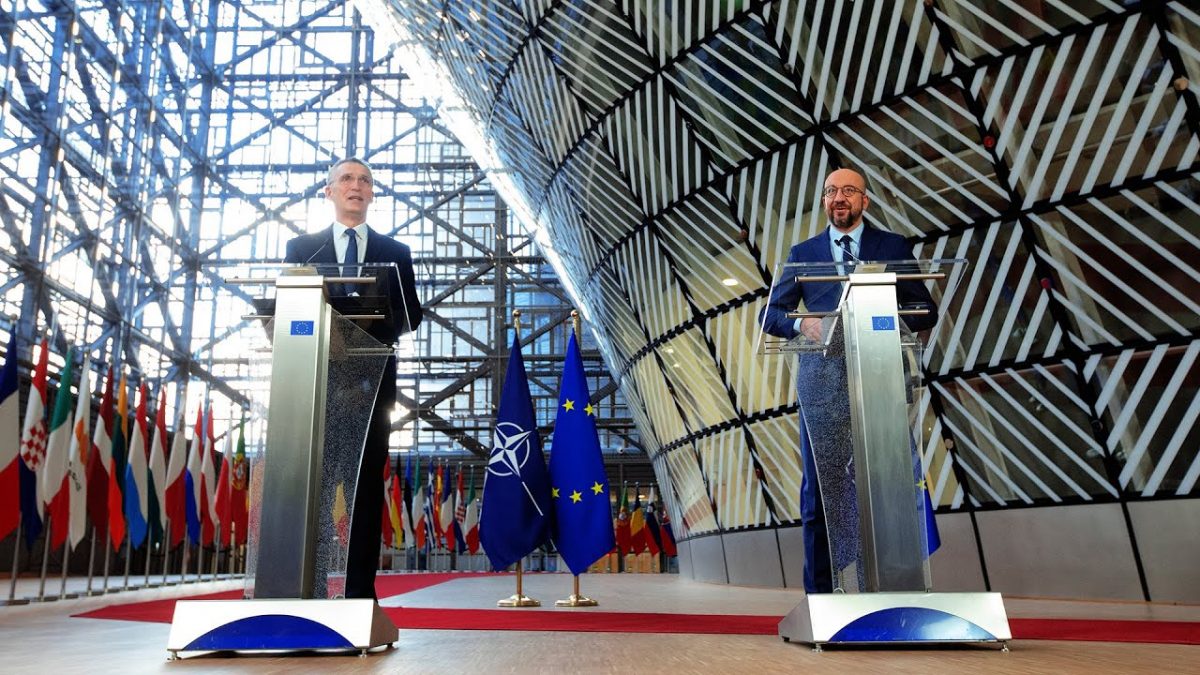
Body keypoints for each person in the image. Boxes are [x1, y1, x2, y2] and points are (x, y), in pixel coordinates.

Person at [760, 167, 936, 593]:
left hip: (880, 382)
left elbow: (923, 309)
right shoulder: (804, 251)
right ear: (824, 201)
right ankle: (821, 596)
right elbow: (771, 314)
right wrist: (807, 326)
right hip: (822, 388)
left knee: (887, 487)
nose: (840, 198)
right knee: (821, 491)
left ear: (865, 201)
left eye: (849, 191)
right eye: (832, 191)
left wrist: (885, 319)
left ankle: (888, 590)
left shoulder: (891, 246)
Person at [284, 157, 422, 599]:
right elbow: (287, 311)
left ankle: (362, 592)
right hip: (316, 383)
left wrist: (368, 319)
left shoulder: (396, 253)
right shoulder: (301, 249)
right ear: (329, 191)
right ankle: (312, 585)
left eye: (364, 180)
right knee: (318, 487)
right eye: (346, 179)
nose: (356, 185)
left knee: (363, 488)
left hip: (371, 383)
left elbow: (411, 315)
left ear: (373, 193)